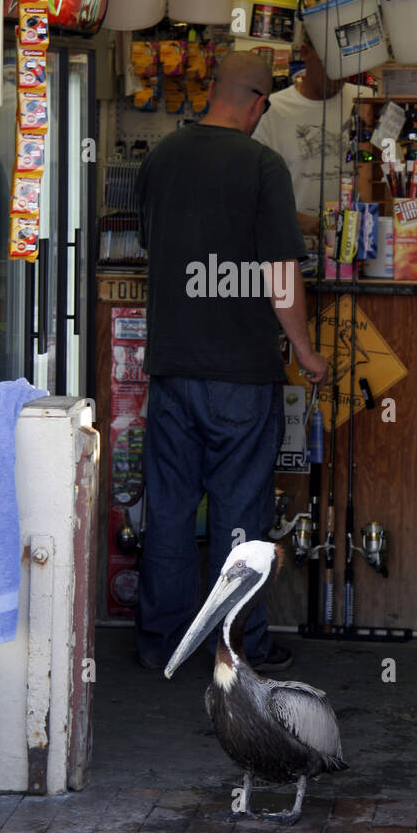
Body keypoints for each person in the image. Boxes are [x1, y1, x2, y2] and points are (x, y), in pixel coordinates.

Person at [135, 50, 328, 672]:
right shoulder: (261, 165)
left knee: (166, 512)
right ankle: (235, 648)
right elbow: (280, 274)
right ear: (257, 104)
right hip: (240, 376)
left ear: (211, 91)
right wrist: (305, 350)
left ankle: (162, 644)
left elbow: (150, 242)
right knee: (239, 519)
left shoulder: (161, 158)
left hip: (170, 367)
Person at [252, 30, 371, 238]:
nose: (338, 71)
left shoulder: (367, 101)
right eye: (330, 61)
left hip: (360, 242)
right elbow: (256, 190)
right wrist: (304, 222)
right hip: (295, 245)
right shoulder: (273, 110)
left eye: (346, 60)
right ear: (306, 52)